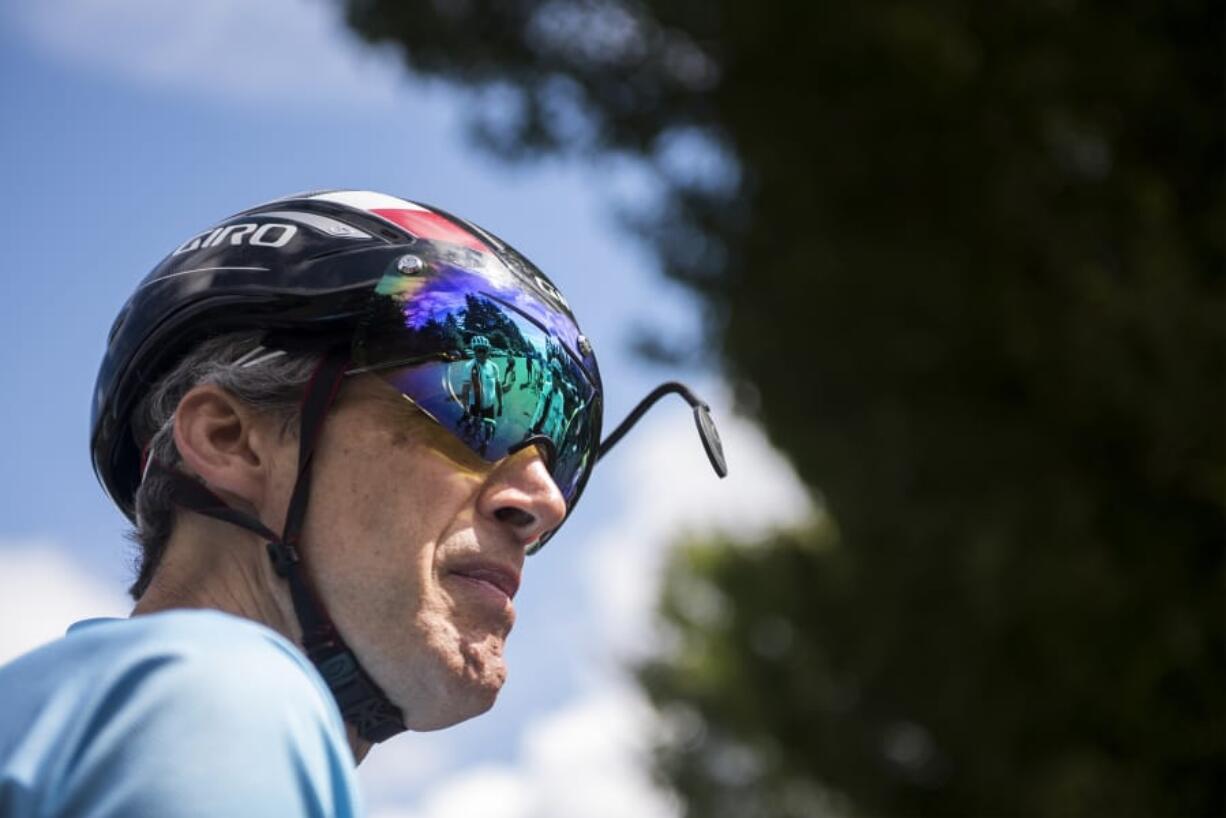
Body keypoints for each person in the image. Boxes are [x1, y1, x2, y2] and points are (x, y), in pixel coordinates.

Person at [0, 190, 727, 817]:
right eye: (475, 401)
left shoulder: (74, 721)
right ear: (230, 439)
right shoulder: (214, 691)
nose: (543, 501)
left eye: (565, 455)